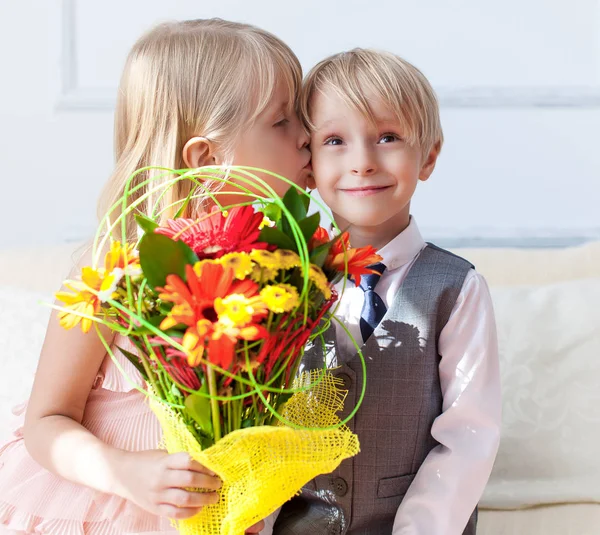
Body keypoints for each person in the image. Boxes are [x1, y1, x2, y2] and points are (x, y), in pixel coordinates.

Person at [0, 18, 310, 535]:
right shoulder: (111, 273)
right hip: (109, 504)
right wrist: (125, 473)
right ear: (207, 160)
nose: (308, 135)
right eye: (283, 121)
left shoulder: (277, 268)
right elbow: (45, 421)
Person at [273, 48, 501, 535]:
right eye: (335, 140)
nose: (363, 163)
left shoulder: (457, 288)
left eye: (388, 137)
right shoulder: (278, 281)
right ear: (308, 164)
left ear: (429, 156)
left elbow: (468, 435)